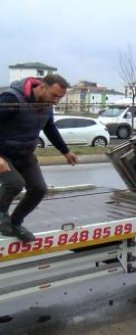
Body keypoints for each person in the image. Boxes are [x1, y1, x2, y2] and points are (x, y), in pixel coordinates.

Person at [0, 74, 78, 242]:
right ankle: (1, 217)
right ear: (41, 87)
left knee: (39, 189)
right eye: (54, 95)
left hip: (25, 154)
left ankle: (15, 223)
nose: (56, 101)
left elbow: (50, 129)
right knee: (14, 183)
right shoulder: (11, 98)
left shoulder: (46, 105)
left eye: (60, 98)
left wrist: (65, 151)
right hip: (3, 154)